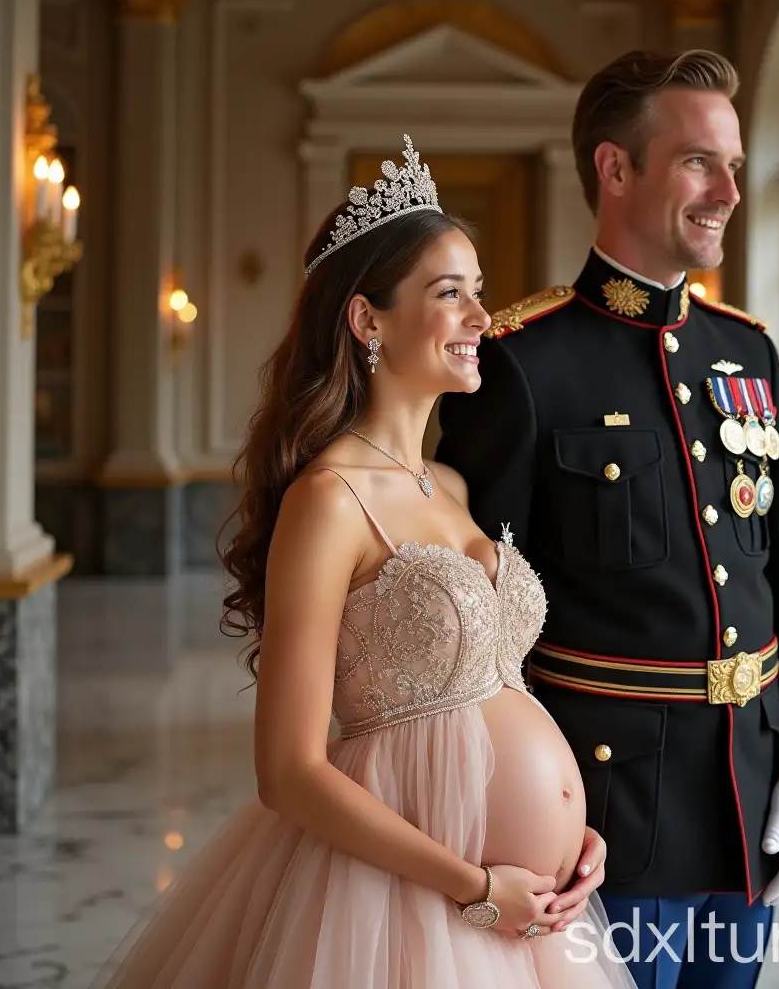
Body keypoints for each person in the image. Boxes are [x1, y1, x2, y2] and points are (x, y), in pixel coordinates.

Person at [90, 135, 636, 989]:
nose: (480, 320)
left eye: (478, 293)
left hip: (540, 907)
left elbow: (501, 687)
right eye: (449, 294)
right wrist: (477, 886)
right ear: (367, 318)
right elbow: (289, 772)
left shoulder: (450, 483)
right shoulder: (329, 499)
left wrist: (573, 838)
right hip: (406, 906)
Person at [435, 50, 779, 988]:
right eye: (702, 162)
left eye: (736, 165)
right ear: (615, 169)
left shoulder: (748, 355)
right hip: (598, 824)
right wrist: (521, 811)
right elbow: (478, 628)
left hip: (748, 800)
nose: (731, 191)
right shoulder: (521, 361)